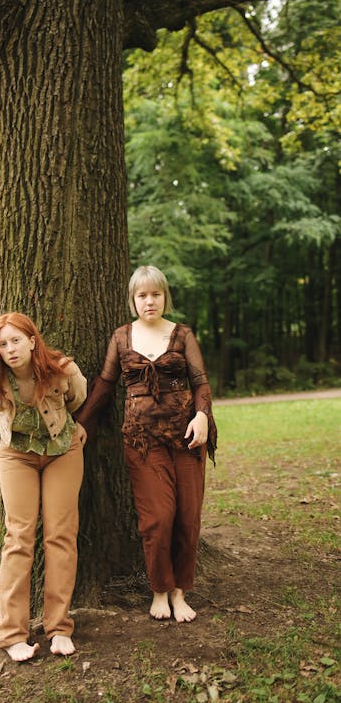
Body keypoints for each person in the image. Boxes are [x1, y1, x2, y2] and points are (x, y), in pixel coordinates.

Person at [77, 266, 217, 623]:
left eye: (155, 294)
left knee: (188, 518)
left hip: (186, 438)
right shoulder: (122, 337)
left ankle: (180, 591)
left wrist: (201, 416)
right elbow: (106, 386)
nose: (149, 301)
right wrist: (81, 425)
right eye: (142, 295)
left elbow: (200, 383)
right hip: (142, 441)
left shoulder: (182, 334)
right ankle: (159, 589)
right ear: (133, 300)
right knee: (157, 519)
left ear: (164, 296)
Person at [0, 312, 87, 662]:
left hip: (61, 452)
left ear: (32, 340)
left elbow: (77, 401)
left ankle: (59, 628)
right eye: (2, 344)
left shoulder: (63, 370)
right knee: (19, 536)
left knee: (60, 535)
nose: (10, 349)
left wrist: (76, 428)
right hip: (17, 457)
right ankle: (11, 634)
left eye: (16, 341)